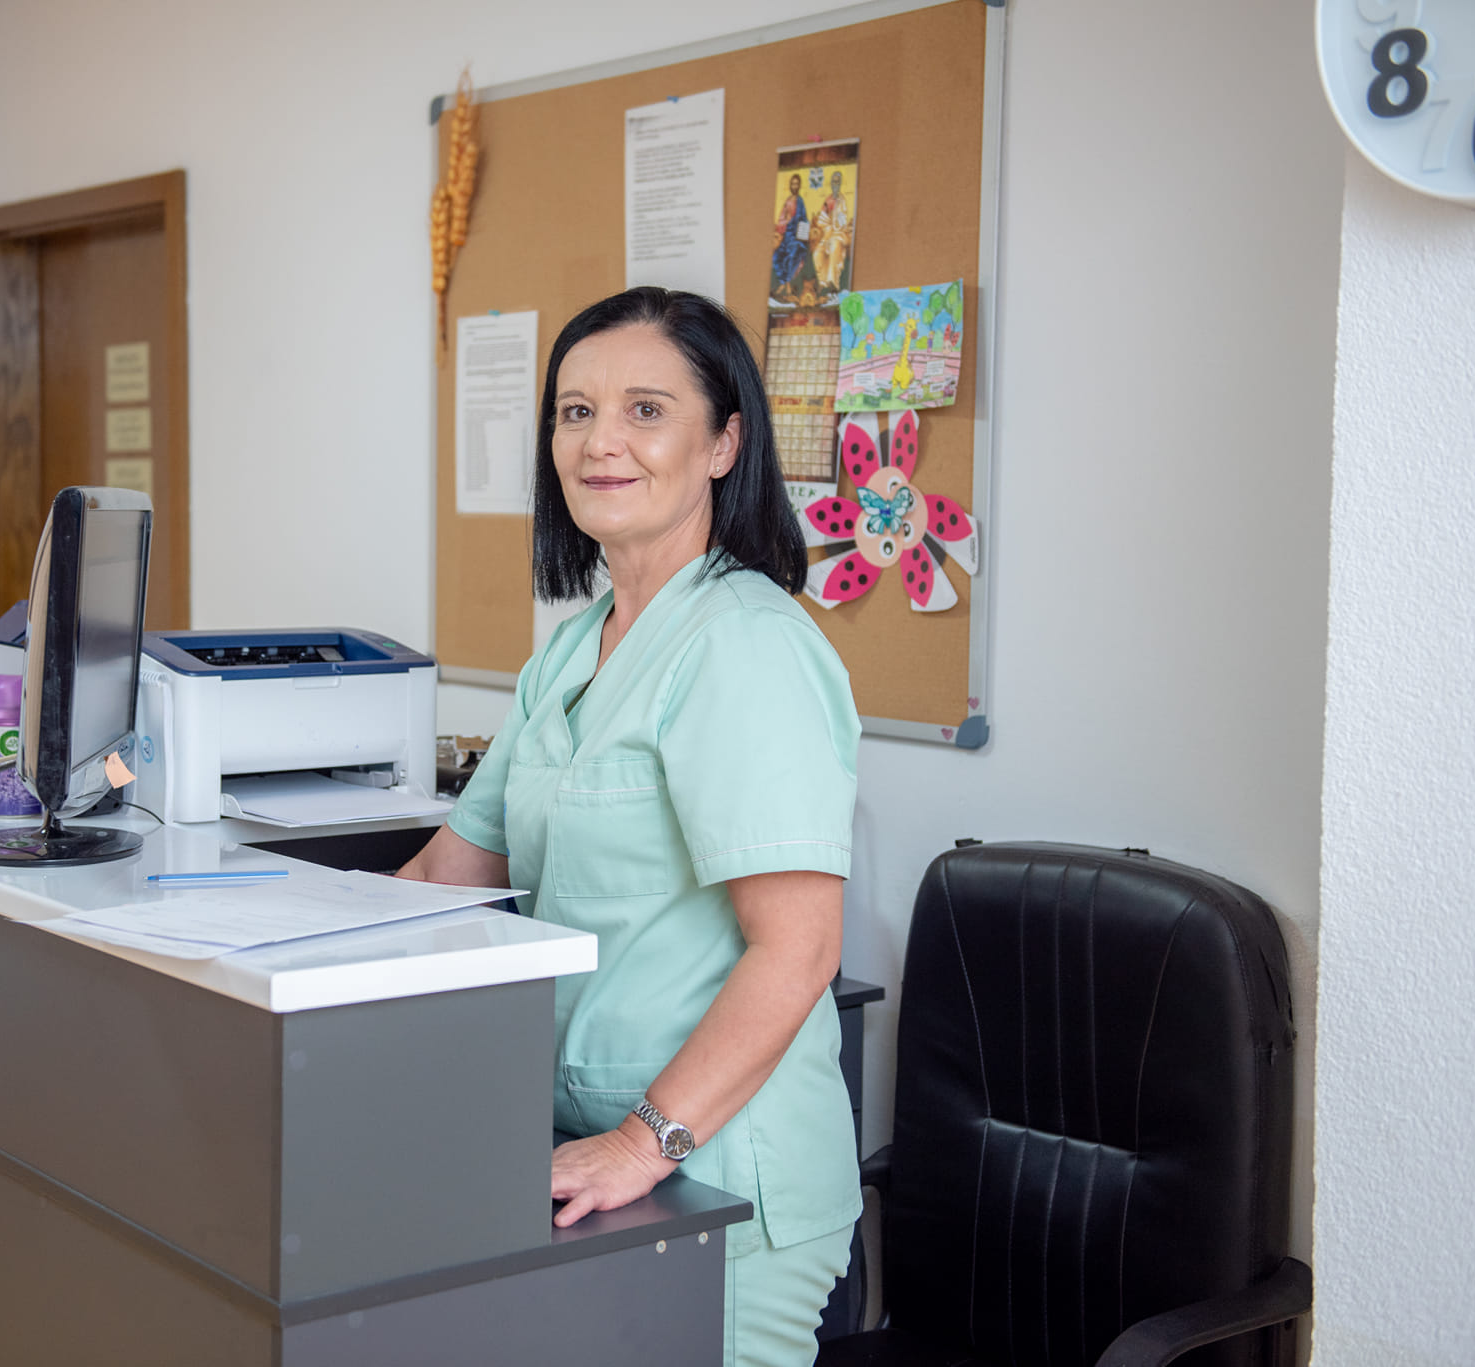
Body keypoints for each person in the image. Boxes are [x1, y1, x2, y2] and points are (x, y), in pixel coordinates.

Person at [399, 287, 861, 1367]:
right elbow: (449, 871)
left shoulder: (743, 645)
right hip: (598, 1160)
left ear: (723, 442)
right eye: (573, 411)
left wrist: (639, 1143)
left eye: (645, 410)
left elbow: (798, 944)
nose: (600, 441)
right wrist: (262, 950)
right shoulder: (570, 650)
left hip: (718, 1174)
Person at [770, 174, 812, 303]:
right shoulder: (788, 201)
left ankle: (788, 283)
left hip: (797, 238)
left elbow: (804, 220)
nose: (794, 186)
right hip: (785, 236)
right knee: (776, 254)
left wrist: (802, 234)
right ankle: (783, 282)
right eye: (792, 184)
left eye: (796, 184)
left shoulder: (800, 202)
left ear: (799, 186)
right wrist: (786, 221)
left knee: (794, 251)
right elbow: (781, 220)